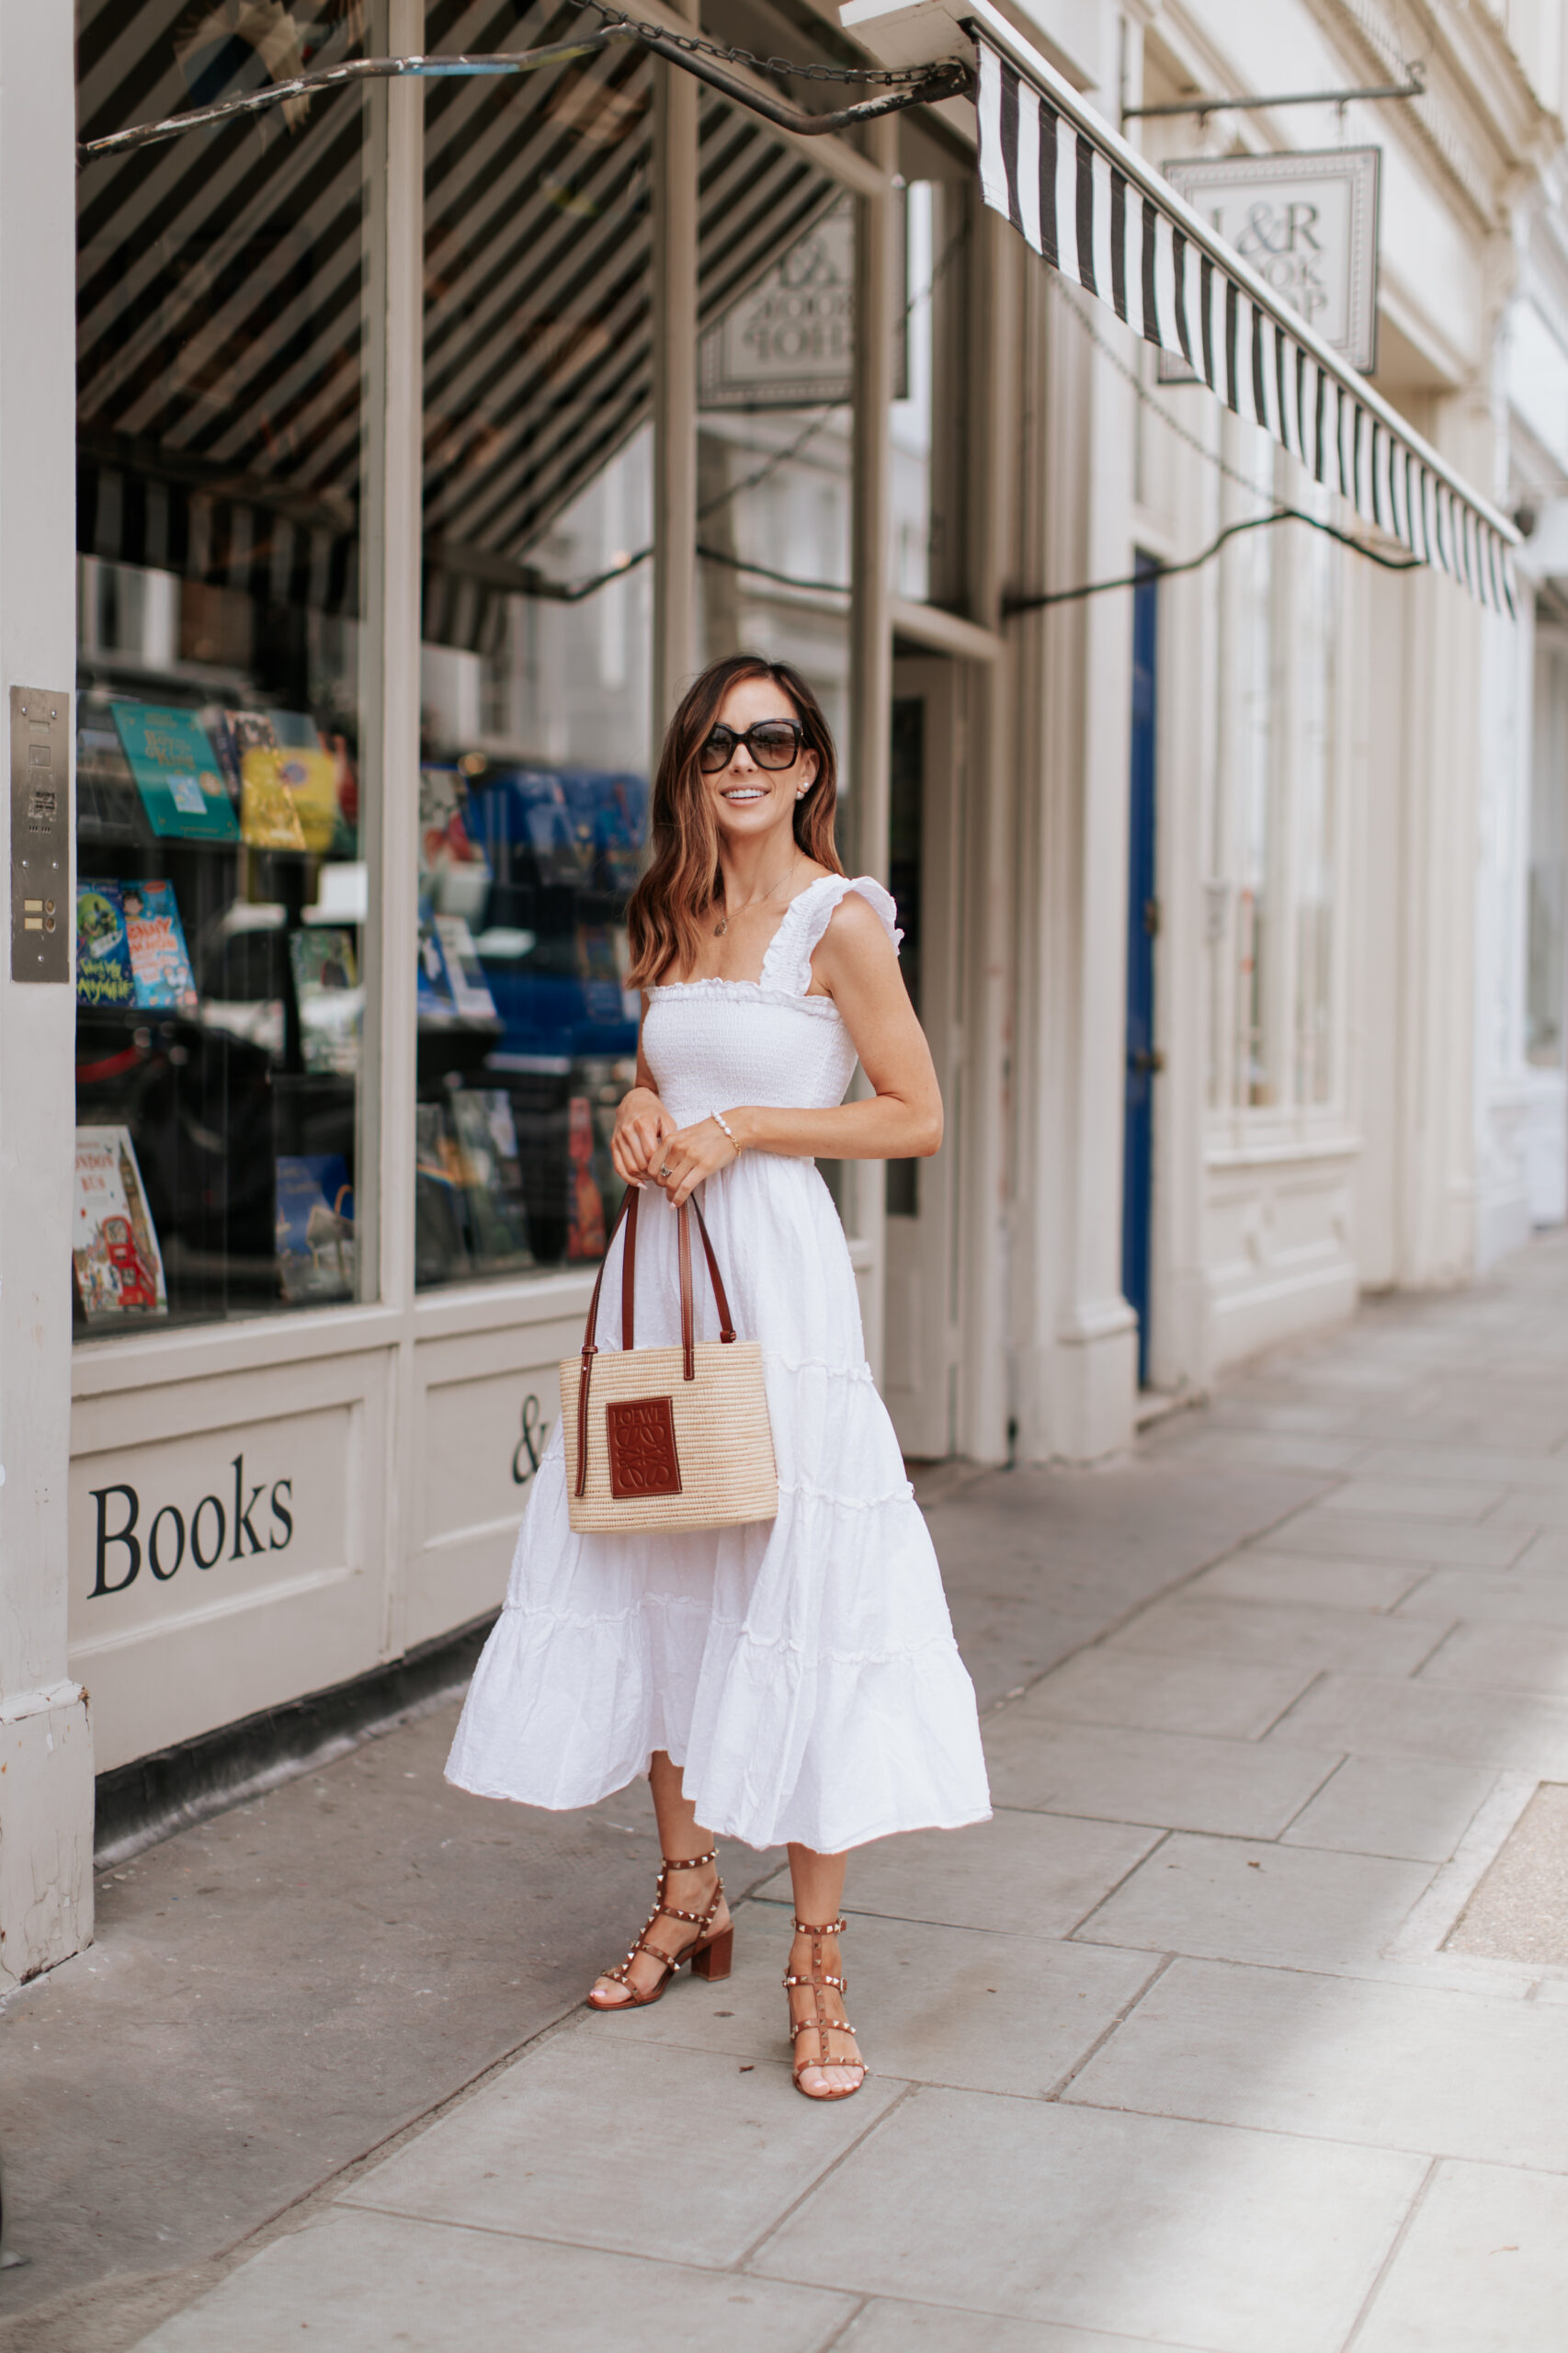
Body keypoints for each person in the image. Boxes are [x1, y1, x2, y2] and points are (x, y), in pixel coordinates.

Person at [446, 653, 991, 2099]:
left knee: (800, 1585)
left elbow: (914, 1115)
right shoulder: (679, 908)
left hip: (775, 1289)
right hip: (656, 1280)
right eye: (714, 743)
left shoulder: (840, 917)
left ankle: (816, 1962)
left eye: (769, 739)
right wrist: (638, 1106)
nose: (740, 763)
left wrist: (746, 1124)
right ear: (691, 767)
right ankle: (690, 1896)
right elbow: (659, 1069)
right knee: (655, 1571)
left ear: (810, 763)